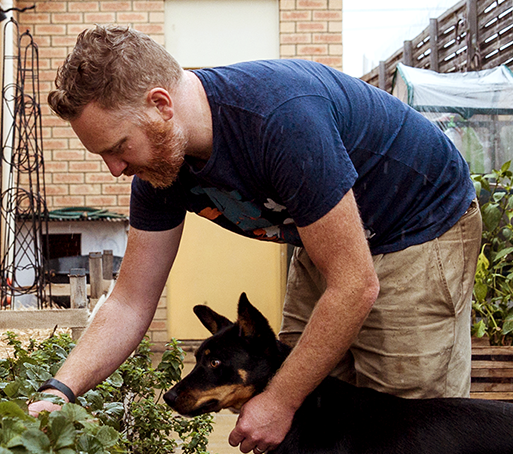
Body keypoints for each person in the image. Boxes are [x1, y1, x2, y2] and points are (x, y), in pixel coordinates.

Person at [29, 24, 482, 454]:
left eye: (117, 146)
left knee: (401, 430)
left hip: (417, 227)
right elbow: (129, 302)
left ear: (161, 104)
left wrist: (280, 400)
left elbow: (354, 284)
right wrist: (59, 390)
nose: (114, 168)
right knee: (311, 418)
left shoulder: (279, 119)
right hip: (328, 238)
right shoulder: (158, 169)